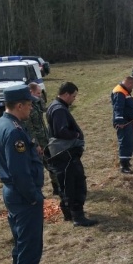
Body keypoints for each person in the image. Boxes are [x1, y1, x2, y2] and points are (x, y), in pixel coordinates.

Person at [0, 85, 52, 264]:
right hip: (23, 196)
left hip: (14, 194)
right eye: (28, 105)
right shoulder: (15, 131)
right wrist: (34, 197)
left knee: (21, 242)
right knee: (29, 245)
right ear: (19, 105)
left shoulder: (1, 124)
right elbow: (19, 172)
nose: (30, 109)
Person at [45, 82, 98, 227]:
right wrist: (75, 134)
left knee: (66, 183)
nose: (74, 99)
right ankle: (78, 217)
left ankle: (69, 213)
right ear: (66, 94)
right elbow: (61, 130)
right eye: (73, 96)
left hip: (62, 155)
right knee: (75, 183)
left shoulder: (54, 106)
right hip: (66, 155)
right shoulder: (59, 109)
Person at [20, 82, 61, 206]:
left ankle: (57, 187)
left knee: (52, 163)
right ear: (30, 93)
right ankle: (37, 192)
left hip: (45, 139)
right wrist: (36, 144)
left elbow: (45, 109)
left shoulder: (36, 104)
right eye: (38, 93)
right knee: (36, 168)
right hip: (36, 143)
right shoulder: (28, 108)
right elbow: (29, 128)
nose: (40, 95)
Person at [111, 75, 133, 174]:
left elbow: (129, 107)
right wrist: (120, 122)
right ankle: (124, 166)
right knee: (125, 143)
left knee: (129, 142)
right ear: (129, 83)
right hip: (124, 123)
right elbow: (118, 108)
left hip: (128, 121)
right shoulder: (119, 92)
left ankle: (127, 162)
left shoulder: (125, 92)